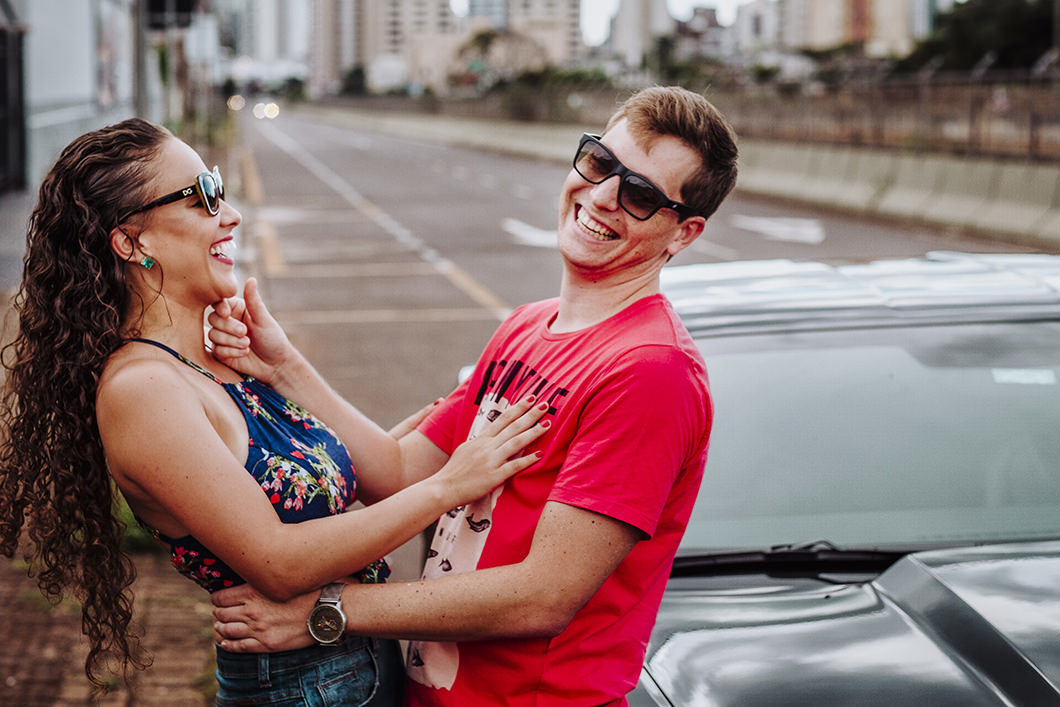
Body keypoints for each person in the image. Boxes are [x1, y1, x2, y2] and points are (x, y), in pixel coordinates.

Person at [209, 85, 738, 705]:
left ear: (684, 233)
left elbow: (544, 596)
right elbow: (401, 472)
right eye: (599, 163)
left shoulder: (651, 371)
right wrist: (281, 365)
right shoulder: (525, 327)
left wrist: (328, 609)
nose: (600, 197)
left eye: (640, 195)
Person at [0, 118, 549, 704]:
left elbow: (334, 483)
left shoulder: (214, 363)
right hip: (297, 686)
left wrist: (286, 367)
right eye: (204, 196)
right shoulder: (145, 391)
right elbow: (280, 563)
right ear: (134, 242)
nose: (230, 214)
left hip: (352, 659)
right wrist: (448, 487)